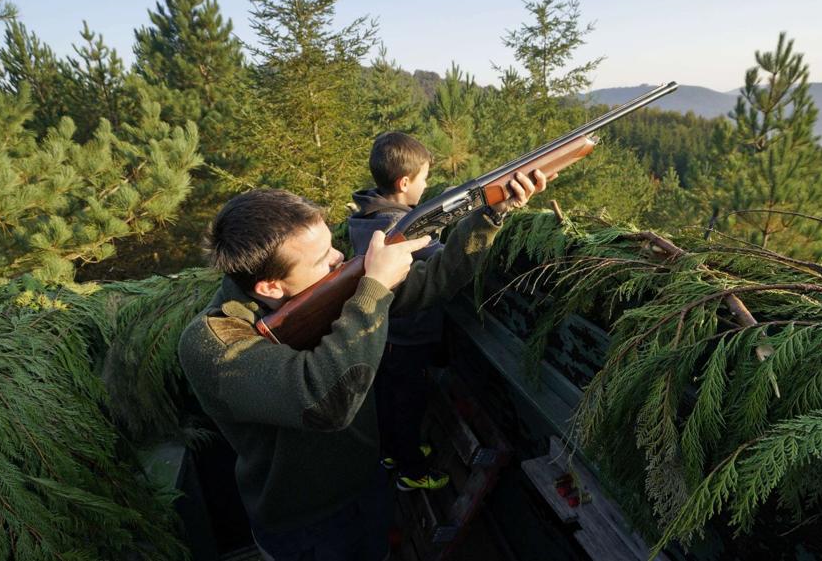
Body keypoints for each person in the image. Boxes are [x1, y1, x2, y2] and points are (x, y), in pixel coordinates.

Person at [177, 168, 549, 561]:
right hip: (306, 525)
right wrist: (373, 288)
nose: (340, 258)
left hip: (368, 484)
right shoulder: (213, 343)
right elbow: (325, 401)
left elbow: (435, 280)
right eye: (323, 258)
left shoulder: (321, 288)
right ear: (270, 287)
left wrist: (491, 214)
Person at [348, 132, 447, 491]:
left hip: (384, 334)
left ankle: (392, 451)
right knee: (408, 402)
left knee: (389, 398)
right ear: (405, 183)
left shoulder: (367, 217)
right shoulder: (398, 227)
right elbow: (441, 262)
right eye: (424, 178)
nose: (427, 185)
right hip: (408, 335)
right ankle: (412, 470)